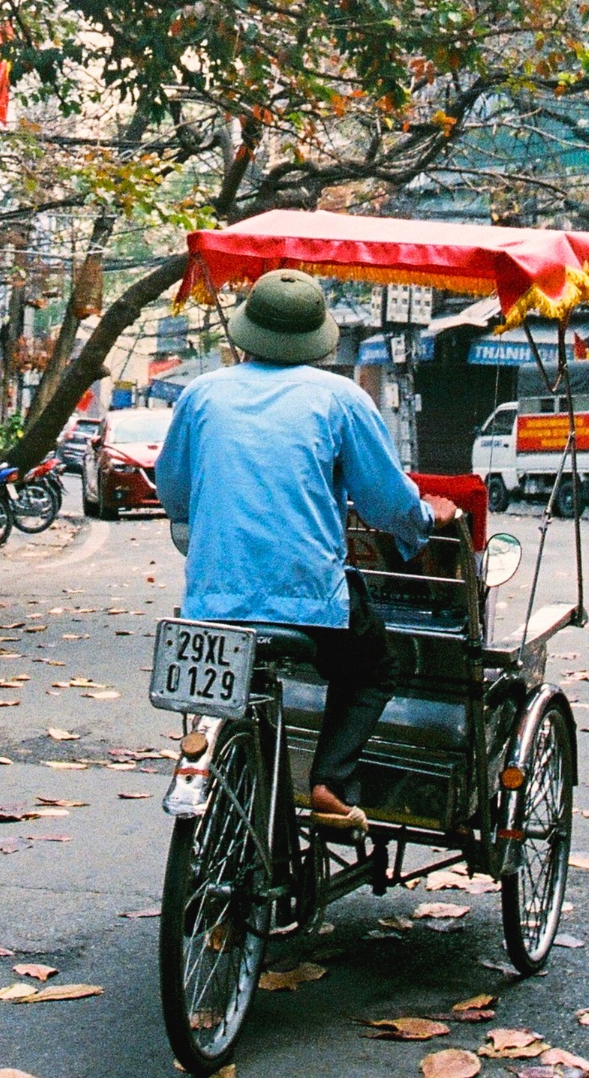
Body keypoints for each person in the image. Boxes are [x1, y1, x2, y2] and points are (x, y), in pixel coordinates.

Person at [158, 269, 457, 831]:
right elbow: (387, 503)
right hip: (308, 603)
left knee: (235, 695)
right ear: (317, 337)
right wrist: (426, 516)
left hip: (212, 602)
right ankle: (328, 782)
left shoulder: (201, 393)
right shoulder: (340, 398)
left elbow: (173, 489)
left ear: (248, 331)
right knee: (373, 668)